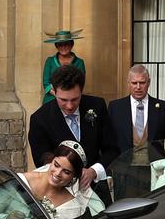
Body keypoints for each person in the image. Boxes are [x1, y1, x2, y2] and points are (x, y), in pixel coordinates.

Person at [28, 64, 118, 206]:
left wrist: (94, 171)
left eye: (75, 99)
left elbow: (112, 149)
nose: (69, 106)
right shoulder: (40, 119)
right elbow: (42, 160)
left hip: (98, 191)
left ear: (81, 91)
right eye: (63, 100)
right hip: (61, 197)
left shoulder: (97, 106)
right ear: (53, 91)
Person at [0, 142, 104, 219]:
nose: (57, 173)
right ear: (51, 161)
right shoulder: (20, 182)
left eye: (66, 172)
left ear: (74, 176)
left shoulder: (74, 204)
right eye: (56, 165)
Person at [108, 64, 165, 156]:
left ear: (148, 82)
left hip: (155, 167)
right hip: (122, 167)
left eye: (142, 83)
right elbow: (108, 142)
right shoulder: (115, 107)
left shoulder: (163, 108)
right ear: (128, 83)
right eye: (134, 83)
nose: (138, 87)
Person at [41, 30, 86, 103]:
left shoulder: (79, 62)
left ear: (71, 45)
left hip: (72, 101)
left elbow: (81, 84)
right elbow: (46, 84)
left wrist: (68, 96)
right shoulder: (50, 61)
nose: (63, 47)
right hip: (51, 99)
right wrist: (59, 96)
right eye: (60, 44)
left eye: (66, 44)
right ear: (56, 46)